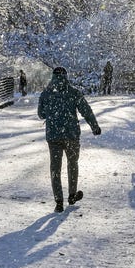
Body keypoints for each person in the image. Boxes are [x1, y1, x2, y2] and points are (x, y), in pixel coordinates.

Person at [38, 67, 101, 213]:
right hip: (71, 135)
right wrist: (94, 126)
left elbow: (41, 114)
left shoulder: (46, 93)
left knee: (55, 168)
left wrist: (52, 111)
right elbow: (86, 110)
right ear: (66, 76)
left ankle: (58, 201)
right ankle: (72, 195)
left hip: (53, 136)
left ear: (53, 77)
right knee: (72, 163)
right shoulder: (73, 92)